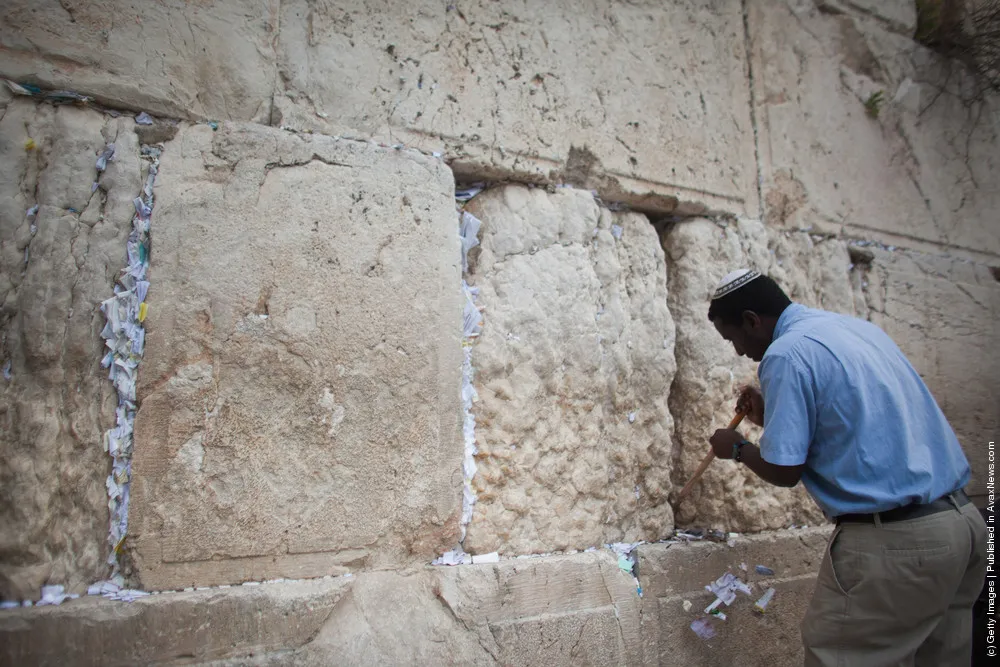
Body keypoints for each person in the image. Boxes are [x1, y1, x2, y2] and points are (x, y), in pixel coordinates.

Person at [705, 268, 987, 667]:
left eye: (733, 337)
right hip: (962, 526)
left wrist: (736, 448)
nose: (739, 351)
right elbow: (855, 427)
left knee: (840, 655)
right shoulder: (855, 330)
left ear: (752, 320)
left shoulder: (786, 353)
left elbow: (785, 471)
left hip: (899, 544)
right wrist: (774, 416)